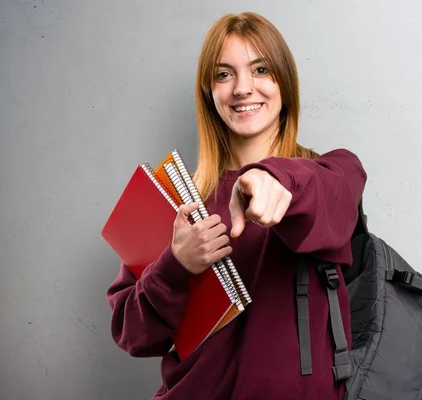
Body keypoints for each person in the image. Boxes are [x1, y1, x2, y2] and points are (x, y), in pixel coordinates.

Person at [106, 11, 367, 400]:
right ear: (209, 93)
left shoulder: (334, 173)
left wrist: (272, 176)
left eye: (260, 69)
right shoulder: (176, 201)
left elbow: (326, 193)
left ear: (285, 82)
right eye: (224, 74)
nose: (243, 88)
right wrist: (177, 265)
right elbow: (132, 335)